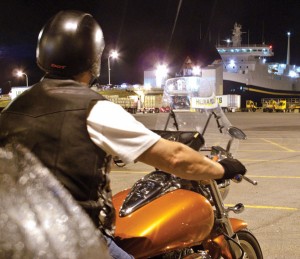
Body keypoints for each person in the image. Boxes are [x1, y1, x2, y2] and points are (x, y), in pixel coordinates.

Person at [0, 10, 246, 259]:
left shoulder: (12, 109)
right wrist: (222, 169)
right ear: (94, 57)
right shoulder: (93, 109)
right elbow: (174, 157)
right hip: (70, 240)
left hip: (18, 237)